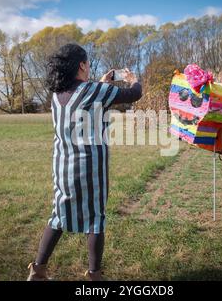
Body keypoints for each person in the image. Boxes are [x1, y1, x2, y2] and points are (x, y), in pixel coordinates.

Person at [27, 43, 142, 281]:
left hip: (62, 166)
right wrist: (133, 79)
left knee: (58, 215)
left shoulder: (57, 95)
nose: (89, 67)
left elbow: (91, 99)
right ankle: (94, 275)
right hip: (91, 167)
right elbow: (134, 94)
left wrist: (102, 84)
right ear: (81, 65)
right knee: (95, 219)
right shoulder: (94, 90)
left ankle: (37, 270)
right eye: (87, 63)